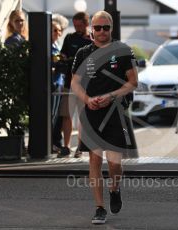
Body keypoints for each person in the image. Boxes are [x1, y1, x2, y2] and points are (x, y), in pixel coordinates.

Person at [71, 11, 138, 224]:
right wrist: (87, 99)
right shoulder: (83, 53)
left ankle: (115, 188)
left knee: (115, 163)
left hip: (116, 111)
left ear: (111, 29)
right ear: (91, 28)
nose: (101, 31)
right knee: (94, 160)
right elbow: (74, 83)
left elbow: (133, 82)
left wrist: (111, 96)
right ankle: (99, 208)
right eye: (97, 28)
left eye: (105, 28)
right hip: (91, 113)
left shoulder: (123, 50)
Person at [58, 12, 92, 157]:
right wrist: (64, 58)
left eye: (80, 25)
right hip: (69, 82)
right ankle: (66, 146)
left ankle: (80, 147)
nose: (77, 28)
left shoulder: (92, 39)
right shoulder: (69, 38)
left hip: (85, 84)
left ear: (86, 24)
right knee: (67, 115)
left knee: (83, 116)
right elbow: (62, 54)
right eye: (75, 25)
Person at [51, 14, 69, 153]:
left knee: (57, 115)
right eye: (54, 30)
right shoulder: (49, 46)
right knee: (52, 114)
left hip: (59, 83)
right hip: (52, 83)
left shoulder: (56, 45)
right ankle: (51, 142)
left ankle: (55, 142)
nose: (57, 33)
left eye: (58, 30)